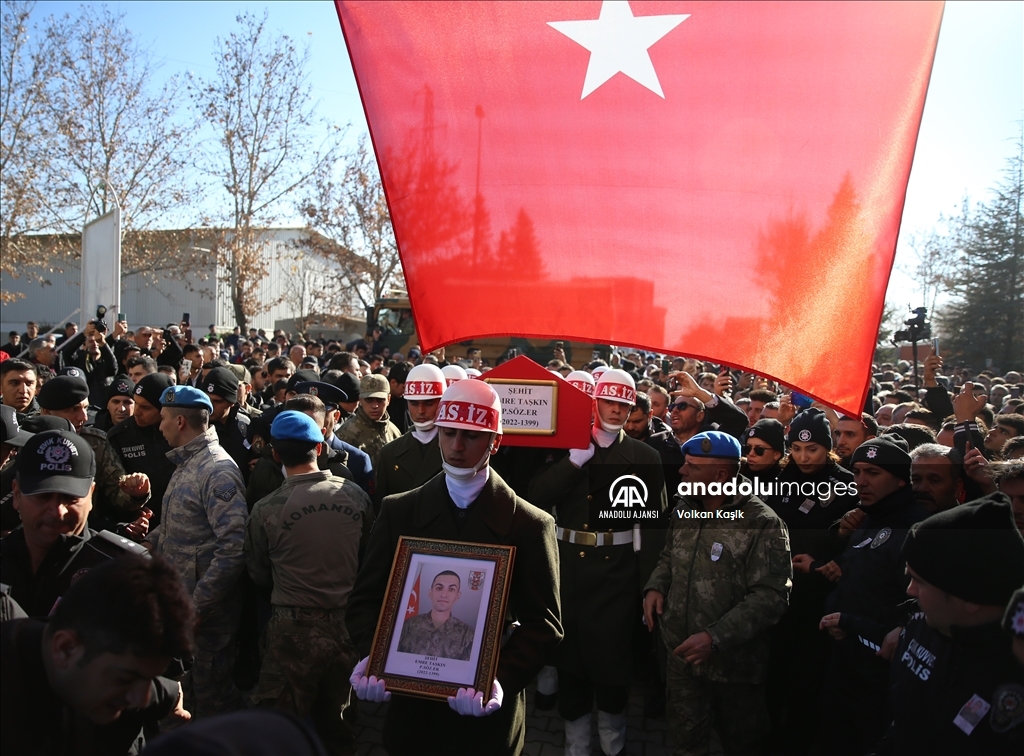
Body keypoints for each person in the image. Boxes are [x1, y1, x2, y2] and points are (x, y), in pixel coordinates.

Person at [347, 378, 562, 756]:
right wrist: (374, 656)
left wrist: (499, 680)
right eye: (449, 433)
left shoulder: (529, 524)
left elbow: (543, 625)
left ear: (496, 441)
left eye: (472, 436)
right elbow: (366, 599)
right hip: (414, 715)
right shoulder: (399, 511)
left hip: (484, 723)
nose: (457, 447)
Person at [528, 368, 667, 756]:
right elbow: (535, 496)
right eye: (610, 401)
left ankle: (613, 737)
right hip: (568, 567)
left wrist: (650, 585)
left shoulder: (645, 456)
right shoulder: (566, 447)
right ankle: (575, 740)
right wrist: (572, 463)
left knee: (611, 661)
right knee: (569, 661)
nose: (617, 410)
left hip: (617, 571)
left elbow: (653, 528)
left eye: (625, 404)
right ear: (594, 401)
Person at [643, 431, 792, 756]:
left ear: (720, 475)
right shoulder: (685, 507)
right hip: (681, 658)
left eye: (693, 466)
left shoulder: (763, 523)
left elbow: (771, 596)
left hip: (733, 669)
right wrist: (656, 585)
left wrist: (715, 637)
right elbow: (669, 556)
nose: (682, 471)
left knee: (741, 744)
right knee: (686, 743)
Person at [245, 411, 373, 756]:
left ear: (275, 454)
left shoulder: (265, 510)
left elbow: (257, 572)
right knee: (340, 724)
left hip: (291, 632)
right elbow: (367, 560)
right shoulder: (355, 496)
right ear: (320, 447)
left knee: (279, 728)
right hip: (346, 626)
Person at [1, 554, 194, 756]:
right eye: (126, 679)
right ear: (65, 648)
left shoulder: (93, 670)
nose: (141, 699)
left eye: (150, 679)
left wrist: (168, 693)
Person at [877, 493, 1024, 754]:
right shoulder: (922, 625)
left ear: (970, 597)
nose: (910, 591)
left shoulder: (1012, 674)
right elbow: (905, 723)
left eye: (919, 581)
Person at [815, 436, 929, 755]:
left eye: (873, 473)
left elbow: (912, 607)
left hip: (880, 668)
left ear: (900, 479)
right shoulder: (868, 516)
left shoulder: (915, 527)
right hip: (845, 659)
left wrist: (855, 626)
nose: (861, 482)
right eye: (857, 472)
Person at [144, 384, 248, 718]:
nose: (158, 426)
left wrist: (199, 605)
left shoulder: (216, 470)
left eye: (162, 419)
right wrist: (150, 541)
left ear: (179, 422)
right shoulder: (189, 462)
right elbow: (185, 524)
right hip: (185, 607)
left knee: (211, 699)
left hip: (206, 618)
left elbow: (233, 547)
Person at [1, 430, 150, 618]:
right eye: (43, 497)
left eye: (70, 498)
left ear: (91, 495)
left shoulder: (125, 573)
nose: (57, 511)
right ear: (16, 494)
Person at [373, 363, 445, 513]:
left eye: (429, 403)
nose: (421, 411)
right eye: (414, 403)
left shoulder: (459, 449)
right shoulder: (390, 453)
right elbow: (381, 510)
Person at [107, 374, 176, 526]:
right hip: (140, 523)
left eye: (145, 407)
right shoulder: (119, 436)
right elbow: (112, 492)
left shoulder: (180, 431)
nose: (136, 412)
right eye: (136, 404)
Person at [397, 570, 475, 660]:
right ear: (430, 593)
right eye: (439, 588)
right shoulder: (409, 625)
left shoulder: (468, 634)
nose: (444, 595)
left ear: (458, 596)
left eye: (451, 589)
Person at [336, 374, 401, 470]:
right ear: (360, 400)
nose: (375, 406)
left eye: (380, 400)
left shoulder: (394, 431)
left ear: (388, 399)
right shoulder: (345, 435)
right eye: (369, 400)